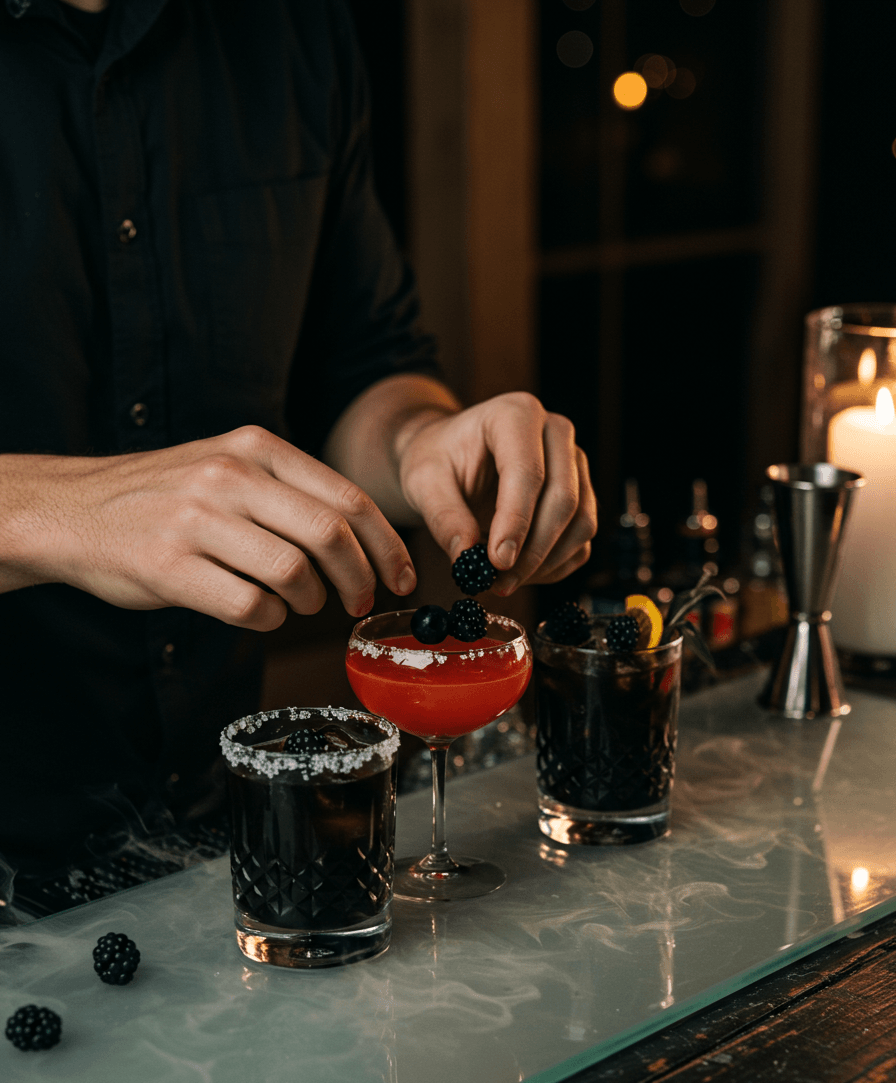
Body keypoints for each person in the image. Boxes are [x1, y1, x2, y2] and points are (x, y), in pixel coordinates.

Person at [0, 0, 596, 904]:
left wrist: (421, 441)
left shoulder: (293, 28)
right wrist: (63, 512)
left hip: (218, 826)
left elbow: (365, 364)